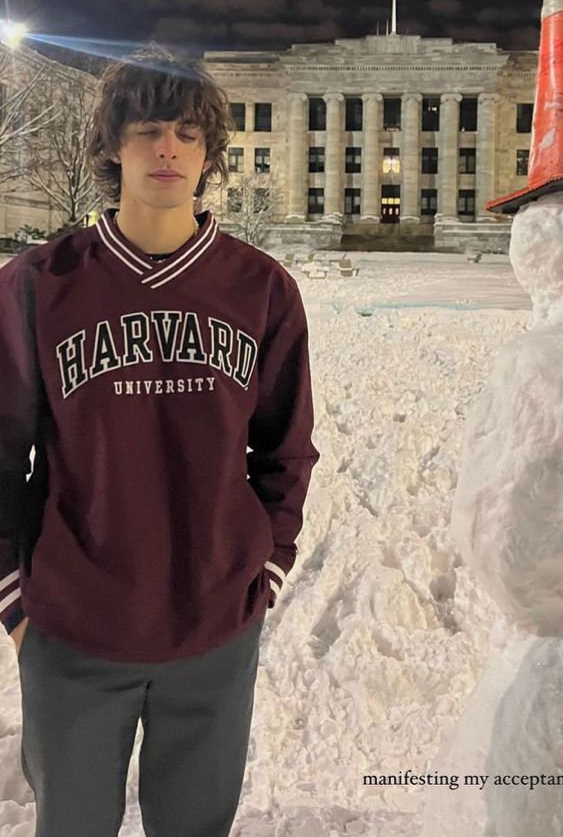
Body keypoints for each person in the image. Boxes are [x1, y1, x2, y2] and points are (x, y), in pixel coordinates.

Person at [0, 43, 319, 837]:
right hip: (73, 627)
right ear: (112, 146)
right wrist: (14, 594)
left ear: (210, 151)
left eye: (184, 131)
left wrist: (265, 568)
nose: (167, 147)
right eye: (145, 130)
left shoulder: (261, 288)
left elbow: (287, 449)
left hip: (215, 626)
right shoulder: (41, 283)